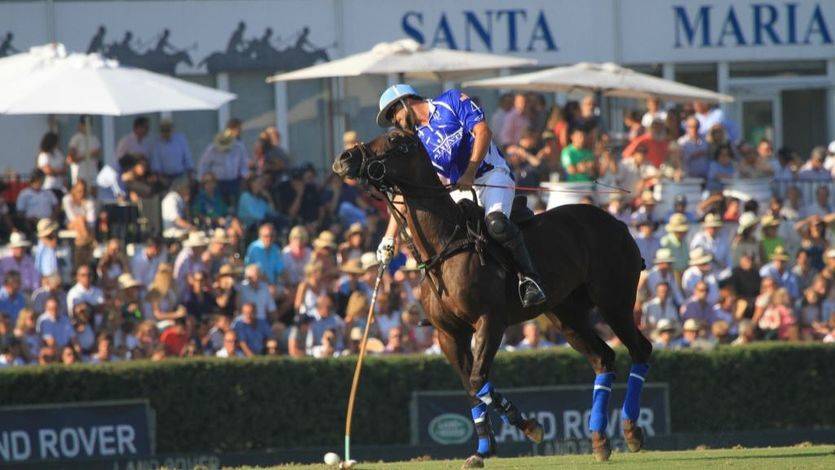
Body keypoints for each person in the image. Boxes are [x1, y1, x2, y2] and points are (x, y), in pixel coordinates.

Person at [375, 84, 546, 306]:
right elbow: (403, 189)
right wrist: (390, 236)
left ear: (405, 102)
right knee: (441, 237)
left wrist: (470, 171)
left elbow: (483, 131)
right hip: (461, 189)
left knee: (496, 224)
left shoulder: (451, 101)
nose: (395, 122)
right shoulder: (416, 139)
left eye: (394, 115)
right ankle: (444, 302)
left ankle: (530, 279)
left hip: (491, 176)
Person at [198, 124, 249, 204]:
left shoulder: (239, 148)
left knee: (234, 204)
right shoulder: (211, 150)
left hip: (234, 181)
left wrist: (243, 176)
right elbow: (204, 165)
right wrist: (204, 179)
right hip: (217, 183)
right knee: (220, 205)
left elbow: (243, 164)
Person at [67, 116, 102, 186]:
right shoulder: (76, 139)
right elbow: (71, 158)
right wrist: (87, 155)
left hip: (92, 173)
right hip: (80, 174)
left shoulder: (94, 138)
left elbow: (98, 152)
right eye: (84, 125)